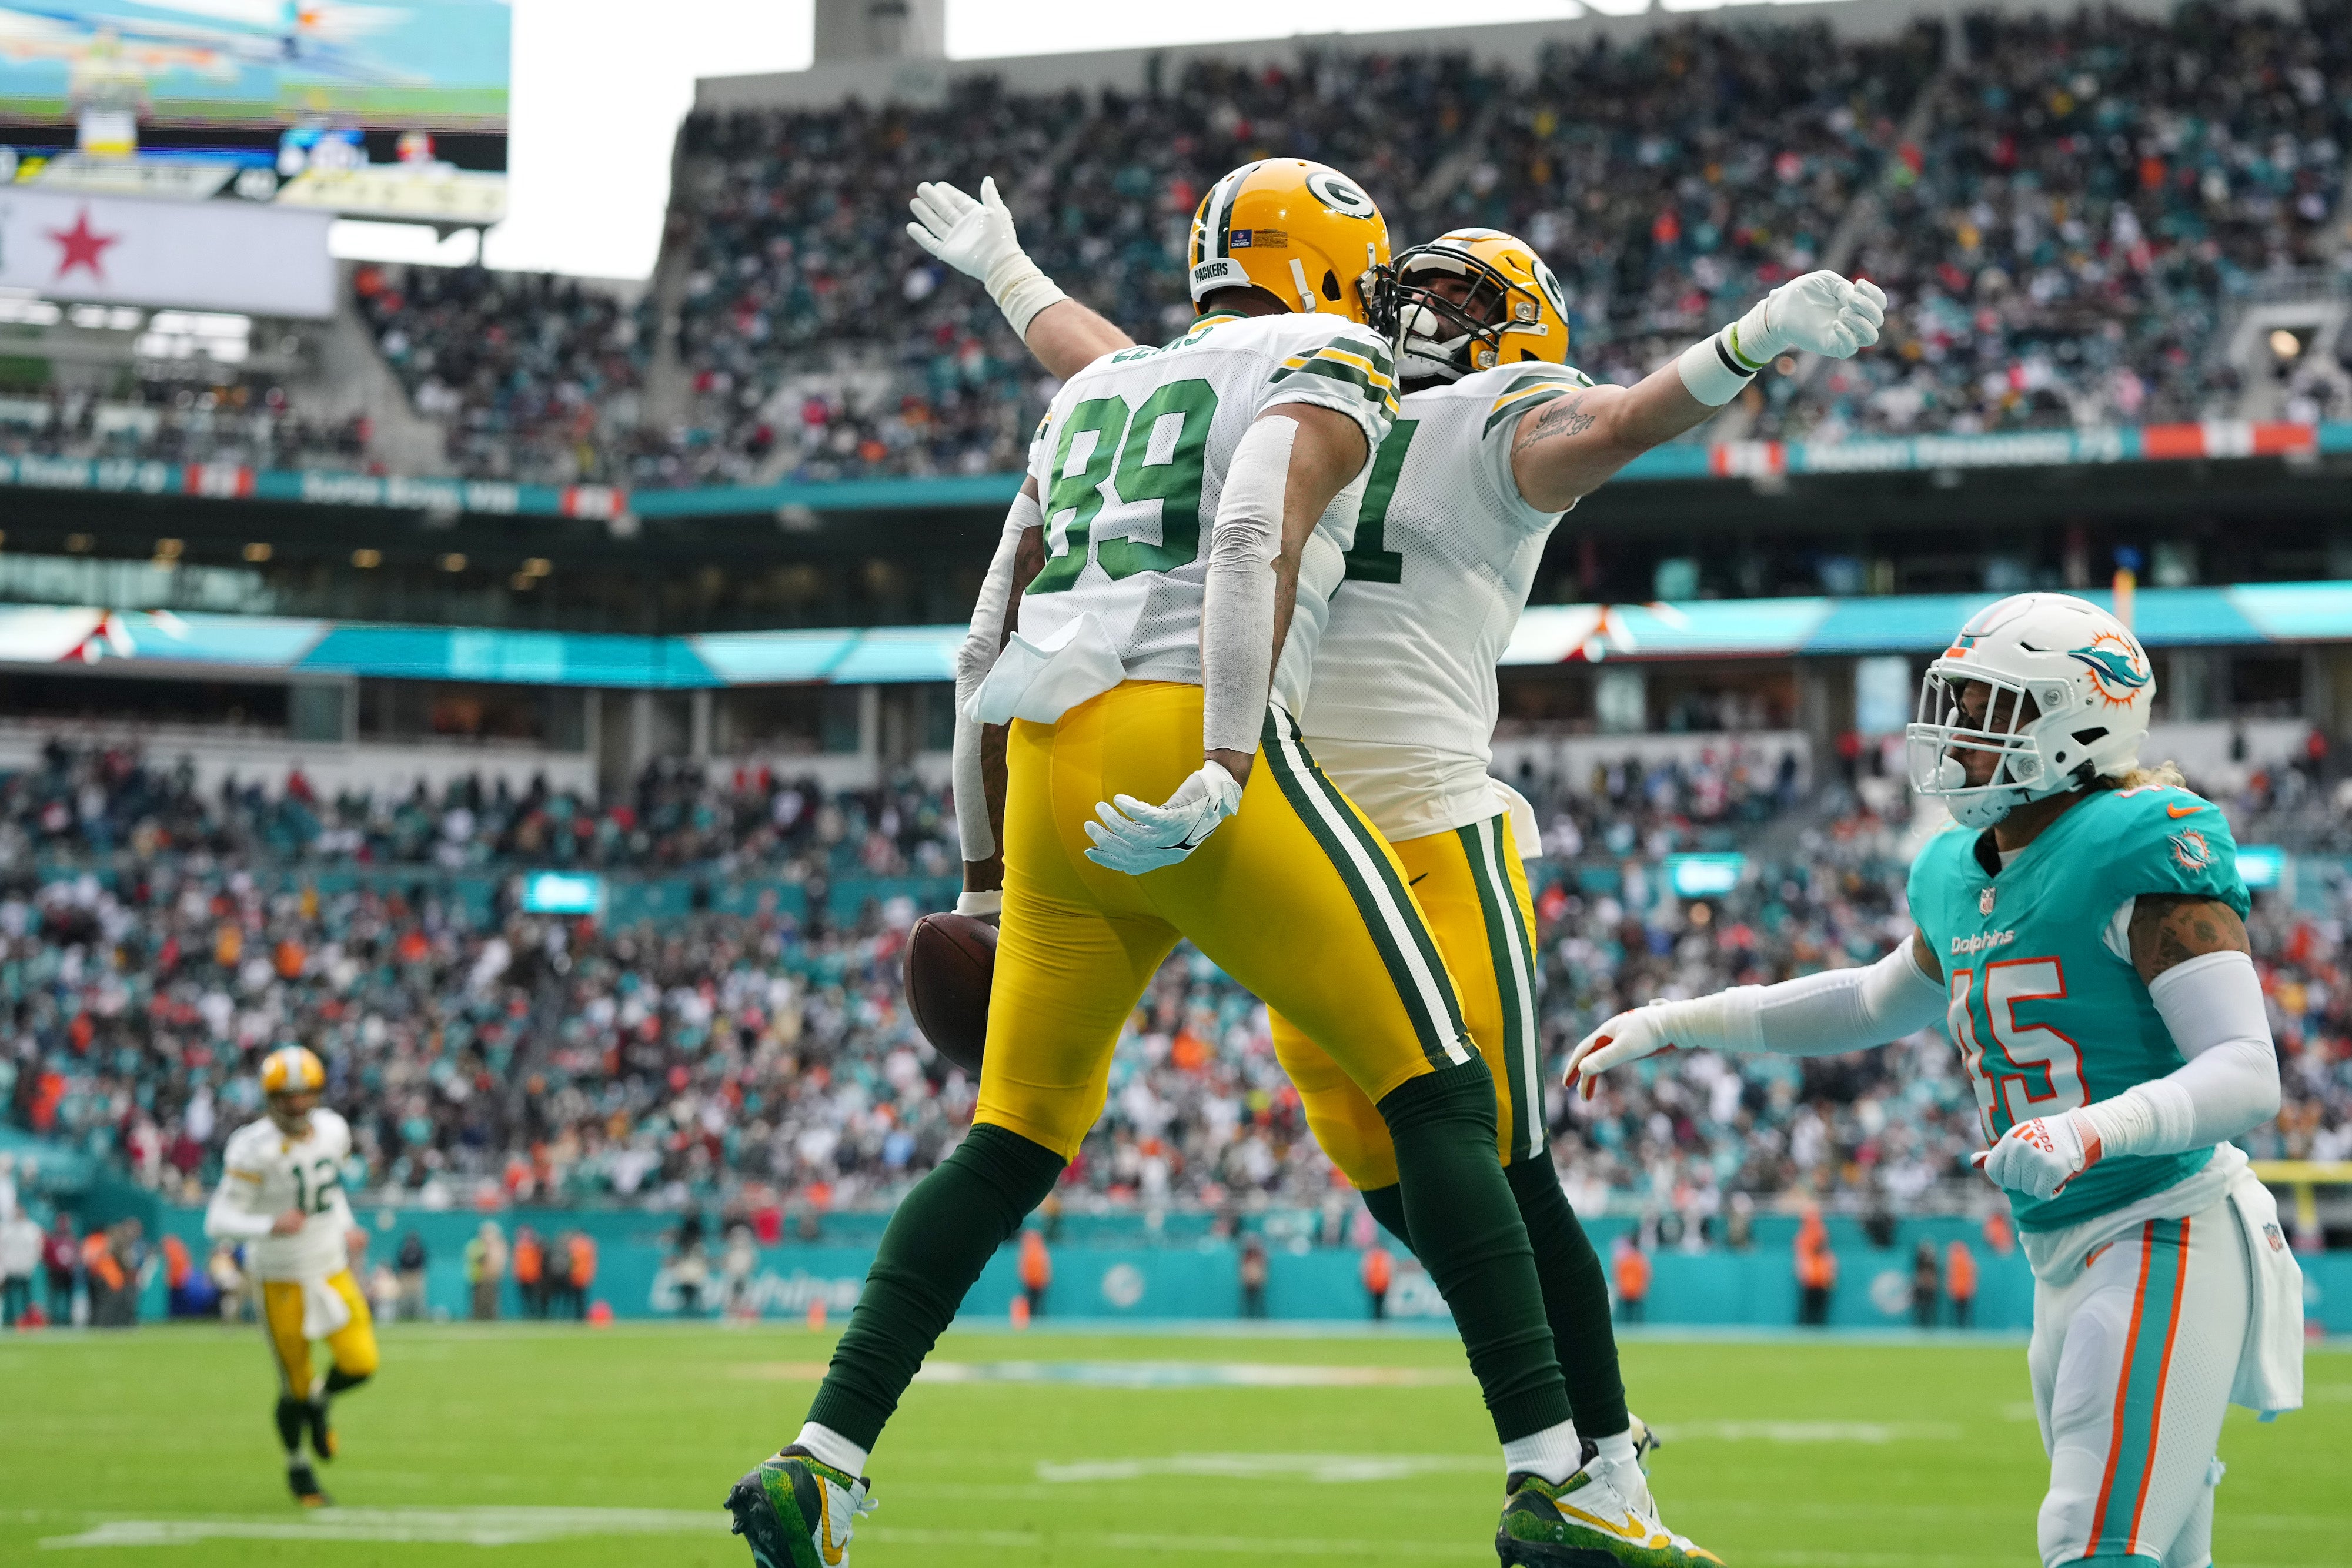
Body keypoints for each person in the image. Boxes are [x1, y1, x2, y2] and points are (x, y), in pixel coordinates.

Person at [907, 164, 1882, 1566]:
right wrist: (1010, 274)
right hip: (1294, 847)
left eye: (1466, 294)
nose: (1429, 307)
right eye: (1414, 281)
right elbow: (1122, 368)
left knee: (1502, 1154)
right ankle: (1571, 1452)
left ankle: (1598, 1474)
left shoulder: (1499, 420)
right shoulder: (1305, 381)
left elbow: (1614, 420)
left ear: (1524, 329)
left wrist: (1743, 345)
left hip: (1427, 836)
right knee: (1396, 1173)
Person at [731, 159, 1605, 1568]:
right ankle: (1554, 1472)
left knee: (1007, 1138)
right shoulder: (1320, 353)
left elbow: (977, 643)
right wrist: (1229, 753)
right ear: (1331, 267)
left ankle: (820, 1459)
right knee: (1442, 1091)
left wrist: (977, 879)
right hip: (1182, 727)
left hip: (1039, 769)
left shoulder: (1098, 392)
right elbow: (1255, 528)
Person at [1569, 592, 2306, 1568]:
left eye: (1986, 707)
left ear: (2075, 718)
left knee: (2093, 1540)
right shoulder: (1958, 866)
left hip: (2163, 1221)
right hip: (2063, 1252)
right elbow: (1870, 1002)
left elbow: (2250, 1073)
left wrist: (2091, 1131)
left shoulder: (2139, 838)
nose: (1954, 731)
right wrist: (1675, 1022)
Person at [202, 1045, 378, 1507]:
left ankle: (322, 1403)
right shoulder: (251, 1147)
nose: (298, 1106)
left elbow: (329, 1191)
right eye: (288, 1097)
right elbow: (216, 1219)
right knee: (294, 1385)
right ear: (270, 1098)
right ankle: (299, 1466)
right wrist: (267, 1225)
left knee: (361, 1362)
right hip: (279, 1274)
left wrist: (346, 1224)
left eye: (305, 1096)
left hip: (329, 1262)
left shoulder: (333, 1129)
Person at [1794, 1209, 1836, 1328]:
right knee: (1807, 1310)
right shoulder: (1806, 1246)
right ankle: (1804, 1328)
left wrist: (1830, 1278)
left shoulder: (1825, 1253)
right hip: (1811, 1282)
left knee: (1819, 1311)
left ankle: (1817, 1329)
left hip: (1821, 1282)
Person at [0, 1203, 39, 1326]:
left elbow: (37, 1248)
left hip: (26, 1268)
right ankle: (11, 1319)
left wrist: (32, 1263)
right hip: (10, 1268)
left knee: (27, 1296)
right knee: (10, 1296)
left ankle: (27, 1321)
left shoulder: (32, 1229)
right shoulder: (6, 1229)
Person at [464, 1222, 506, 1322]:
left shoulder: (498, 1245)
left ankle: (491, 1318)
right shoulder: (478, 1245)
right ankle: (478, 1317)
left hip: (492, 1276)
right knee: (479, 1300)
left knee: (491, 1300)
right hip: (479, 1276)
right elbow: (477, 1259)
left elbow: (499, 1262)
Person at [42, 1212, 78, 1325]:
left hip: (67, 1271)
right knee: (54, 1296)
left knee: (67, 1296)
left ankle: (66, 1318)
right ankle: (54, 1318)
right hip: (55, 1270)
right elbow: (47, 1254)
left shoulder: (71, 1237)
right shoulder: (54, 1238)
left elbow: (76, 1255)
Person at [670, 1217, 709, 1319]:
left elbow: (702, 1265)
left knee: (697, 1298)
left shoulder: (698, 1249)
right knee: (686, 1298)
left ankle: (699, 1314)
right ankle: (685, 1314)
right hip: (687, 1279)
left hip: (695, 1278)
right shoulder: (686, 1251)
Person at [1612, 1234, 1651, 1326]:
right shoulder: (1639, 1259)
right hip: (1630, 1289)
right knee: (1629, 1314)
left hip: (1631, 1289)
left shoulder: (1633, 1258)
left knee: (1632, 1314)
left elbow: (1645, 1275)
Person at [1017, 1229, 1050, 1320]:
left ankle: (1037, 1318)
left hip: (1036, 1280)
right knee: (1034, 1302)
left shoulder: (1034, 1250)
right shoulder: (1035, 1250)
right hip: (1033, 1280)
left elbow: (1045, 1266)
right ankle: (1034, 1318)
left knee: (1037, 1302)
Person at [394, 1231, 428, 1322]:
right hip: (407, 1274)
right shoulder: (405, 1249)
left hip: (415, 1274)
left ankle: (418, 1317)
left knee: (417, 1298)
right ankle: (405, 1316)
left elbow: (424, 1260)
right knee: (405, 1298)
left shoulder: (418, 1249)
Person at [512, 1226, 544, 1319]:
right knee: (525, 1298)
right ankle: (527, 1315)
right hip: (523, 1276)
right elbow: (517, 1262)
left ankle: (535, 1315)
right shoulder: (519, 1247)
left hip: (533, 1276)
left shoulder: (534, 1247)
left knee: (533, 1298)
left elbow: (538, 1262)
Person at [1947, 1238, 1979, 1329]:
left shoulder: (1954, 1261)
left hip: (1959, 1290)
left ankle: (1961, 1328)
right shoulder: (1968, 1260)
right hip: (1964, 1290)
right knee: (1965, 1312)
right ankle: (1965, 1328)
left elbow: (1951, 1277)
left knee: (1960, 1312)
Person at [564, 1231, 596, 1320]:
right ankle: (576, 1317)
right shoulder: (574, 1246)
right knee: (574, 1299)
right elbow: (571, 1262)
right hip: (575, 1276)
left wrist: (589, 1275)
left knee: (582, 1299)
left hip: (583, 1277)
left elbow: (591, 1263)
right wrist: (570, 1273)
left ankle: (582, 1317)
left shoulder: (587, 1246)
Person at [1912, 1241, 1942, 1330]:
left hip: (1928, 1288)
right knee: (1922, 1309)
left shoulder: (1932, 1263)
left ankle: (1928, 1327)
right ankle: (1921, 1326)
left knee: (1929, 1309)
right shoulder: (1920, 1262)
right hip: (1922, 1287)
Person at [1238, 1236, 1269, 1319]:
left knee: (1259, 1302)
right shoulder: (1246, 1256)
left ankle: (1261, 1317)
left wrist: (1260, 1279)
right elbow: (1243, 1269)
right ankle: (1247, 1317)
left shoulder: (1259, 1256)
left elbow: (1262, 1269)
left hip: (1257, 1282)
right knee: (1248, 1301)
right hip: (1248, 1283)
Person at [1362, 1242, 1394, 1321]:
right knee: (1375, 1303)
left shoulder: (1384, 1256)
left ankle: (1379, 1319)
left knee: (1381, 1303)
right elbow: (1366, 1270)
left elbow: (1390, 1270)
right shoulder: (1371, 1256)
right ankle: (1377, 1319)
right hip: (1374, 1284)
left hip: (1382, 1284)